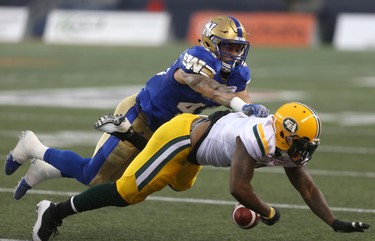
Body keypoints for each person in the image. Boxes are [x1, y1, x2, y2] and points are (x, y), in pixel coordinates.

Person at [4, 15, 270, 200]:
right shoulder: (196, 57)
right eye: (229, 47)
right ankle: (33, 147)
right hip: (140, 116)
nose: (234, 54)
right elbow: (206, 86)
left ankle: (45, 169)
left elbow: (243, 100)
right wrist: (238, 104)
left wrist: (253, 113)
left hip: (170, 128)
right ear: (212, 43)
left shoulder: (238, 73)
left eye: (238, 48)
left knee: (179, 183)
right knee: (95, 178)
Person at [29, 102, 369, 241]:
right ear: (283, 134)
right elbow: (238, 187)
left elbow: (307, 189)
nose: (304, 150)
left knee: (181, 186)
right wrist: (266, 211)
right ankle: (53, 212)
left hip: (197, 149)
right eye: (300, 142)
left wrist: (334, 223)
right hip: (180, 138)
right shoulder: (256, 139)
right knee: (127, 193)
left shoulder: (285, 145)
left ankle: (135, 139)